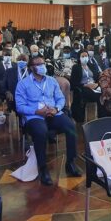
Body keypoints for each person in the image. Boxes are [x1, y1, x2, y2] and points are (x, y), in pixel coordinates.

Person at [15, 55, 81, 185]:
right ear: (31, 68)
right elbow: (20, 106)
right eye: (38, 64)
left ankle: (71, 162)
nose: (42, 66)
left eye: (43, 63)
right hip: (35, 116)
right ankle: (43, 168)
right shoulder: (23, 84)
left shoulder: (51, 81)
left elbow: (61, 99)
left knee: (71, 126)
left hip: (53, 113)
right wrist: (36, 111)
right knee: (41, 132)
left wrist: (56, 109)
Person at [69, 50, 102, 121]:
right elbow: (73, 82)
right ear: (79, 58)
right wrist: (86, 85)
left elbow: (97, 77)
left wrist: (97, 84)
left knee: (105, 93)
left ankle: (102, 117)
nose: (85, 58)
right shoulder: (76, 67)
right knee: (96, 95)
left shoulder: (92, 66)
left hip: (94, 85)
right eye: (82, 56)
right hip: (83, 87)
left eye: (86, 56)